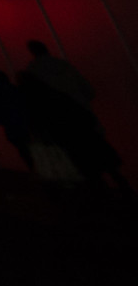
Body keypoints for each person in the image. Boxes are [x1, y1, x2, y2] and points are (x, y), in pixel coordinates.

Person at [19, 41, 127, 189]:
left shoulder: (33, 74)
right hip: (83, 117)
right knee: (103, 157)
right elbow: (88, 91)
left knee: (85, 164)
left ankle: (105, 194)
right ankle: (123, 189)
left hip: (63, 127)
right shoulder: (64, 66)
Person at [0, 69, 33, 165]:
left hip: (11, 125)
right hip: (22, 123)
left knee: (22, 148)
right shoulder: (15, 89)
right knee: (27, 146)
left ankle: (32, 166)